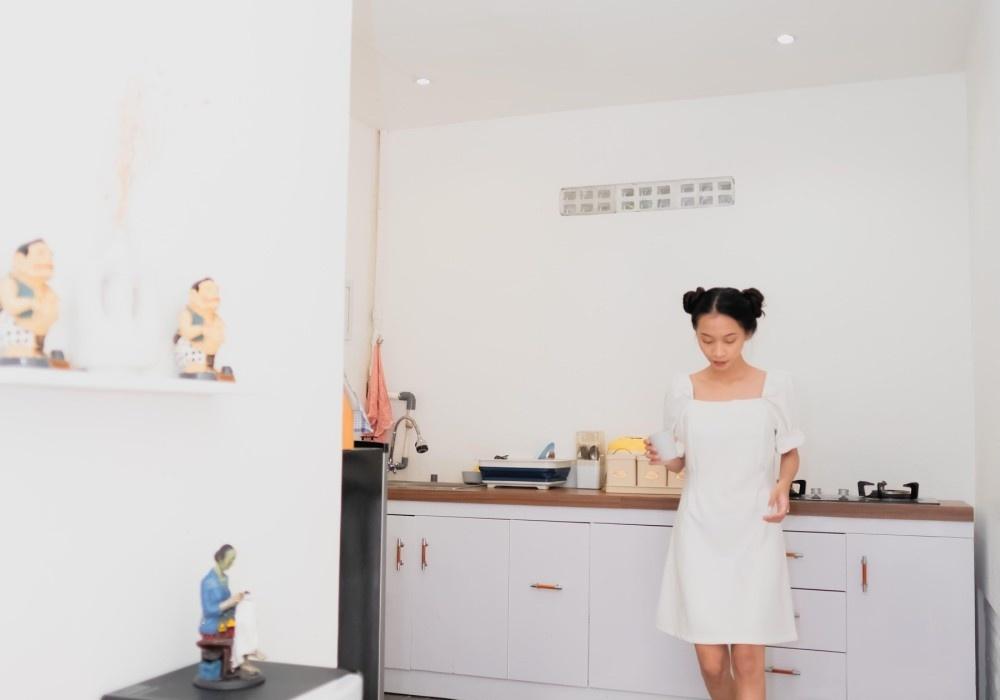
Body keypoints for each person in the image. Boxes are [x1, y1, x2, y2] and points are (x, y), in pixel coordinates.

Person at [647, 286, 803, 700]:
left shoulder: (775, 386)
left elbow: (790, 453)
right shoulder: (682, 389)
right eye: (707, 340)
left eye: (729, 340)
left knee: (748, 659)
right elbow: (681, 462)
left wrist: (783, 485)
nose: (717, 351)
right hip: (700, 529)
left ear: (748, 333)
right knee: (712, 662)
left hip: (753, 528)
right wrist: (665, 458)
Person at [198, 544, 265, 682]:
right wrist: (230, 602)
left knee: (247, 607)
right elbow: (209, 611)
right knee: (240, 623)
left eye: (234, 560)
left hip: (225, 616)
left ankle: (249, 651)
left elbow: (226, 601)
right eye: (230, 559)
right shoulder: (208, 581)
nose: (232, 563)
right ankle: (245, 657)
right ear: (221, 558)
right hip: (213, 622)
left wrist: (238, 599)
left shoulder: (224, 578)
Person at [0, 239, 59, 360]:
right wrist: (31, 303)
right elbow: (10, 305)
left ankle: (36, 351)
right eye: (40, 253)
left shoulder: (46, 290)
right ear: (20, 259)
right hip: (14, 330)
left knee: (35, 345)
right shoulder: (10, 282)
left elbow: (52, 314)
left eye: (50, 255)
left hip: (36, 333)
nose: (48, 260)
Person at [174, 278, 225, 376]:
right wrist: (202, 329)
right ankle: (194, 366)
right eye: (208, 289)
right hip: (190, 350)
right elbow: (186, 331)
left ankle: (208, 367)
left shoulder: (215, 318)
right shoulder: (187, 313)